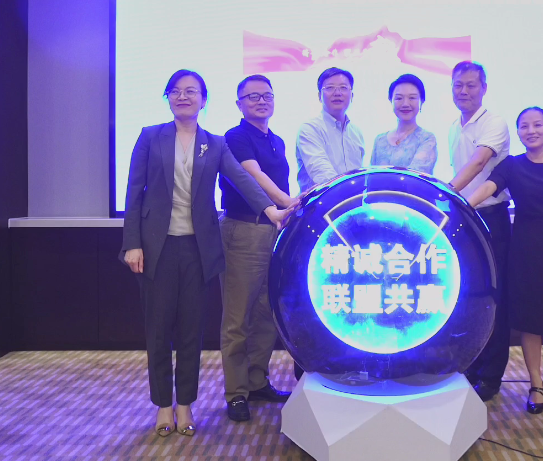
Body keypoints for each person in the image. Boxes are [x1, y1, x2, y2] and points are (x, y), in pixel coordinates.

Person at [120, 69, 290, 437]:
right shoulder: (150, 136)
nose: (183, 96)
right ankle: (163, 405)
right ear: (168, 98)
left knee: (190, 331)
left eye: (191, 91)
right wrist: (132, 243)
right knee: (158, 330)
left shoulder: (214, 143)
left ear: (203, 100)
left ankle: (185, 404)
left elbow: (241, 179)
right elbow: (134, 192)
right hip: (156, 247)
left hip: (197, 248)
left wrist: (271, 209)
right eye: (176, 91)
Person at [466, 107, 543, 414]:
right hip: (524, 249)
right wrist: (462, 203)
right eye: (524, 126)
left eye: (537, 125)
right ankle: (535, 383)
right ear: (518, 132)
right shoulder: (513, 164)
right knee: (530, 320)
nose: (531, 131)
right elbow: (489, 187)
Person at [219, 75, 297, 422]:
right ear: (239, 104)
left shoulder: (276, 140)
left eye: (267, 95)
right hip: (244, 231)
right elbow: (254, 176)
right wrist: (287, 202)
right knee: (238, 317)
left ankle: (256, 381)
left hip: (273, 231)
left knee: (267, 312)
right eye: (252, 96)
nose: (261, 101)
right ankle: (236, 393)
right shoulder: (235, 137)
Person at [447, 61, 512, 402]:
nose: (464, 91)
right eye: (458, 85)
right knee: (467, 294)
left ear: (484, 88)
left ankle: (491, 375)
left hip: (491, 216)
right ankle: (471, 365)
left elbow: (477, 163)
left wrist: (445, 194)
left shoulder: (494, 123)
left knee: (493, 296)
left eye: (471, 85)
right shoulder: (452, 127)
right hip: (464, 217)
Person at [296, 67, 366, 193]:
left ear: (352, 95)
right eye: (330, 88)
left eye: (343, 88)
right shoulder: (310, 129)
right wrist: (348, 192)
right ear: (319, 96)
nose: (337, 93)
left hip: (352, 202)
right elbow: (321, 172)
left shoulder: (357, 133)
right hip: (320, 202)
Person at [370, 74, 437, 174]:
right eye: (399, 98)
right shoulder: (380, 140)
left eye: (412, 98)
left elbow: (416, 175)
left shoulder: (427, 139)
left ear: (421, 101)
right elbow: (371, 177)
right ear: (391, 101)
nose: (405, 104)